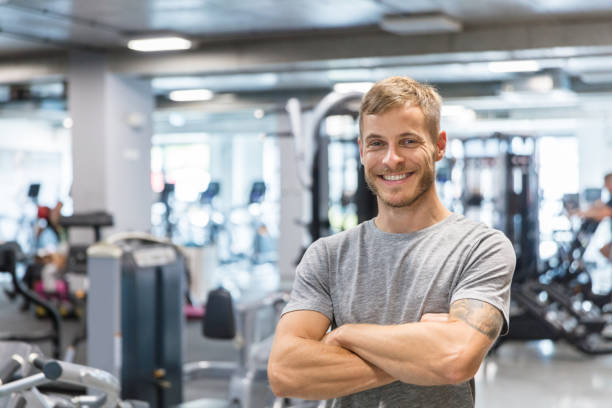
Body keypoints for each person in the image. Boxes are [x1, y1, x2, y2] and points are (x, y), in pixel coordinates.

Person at [267, 76, 516, 407]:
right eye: (376, 143)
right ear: (361, 150)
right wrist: (422, 356)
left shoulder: (481, 248)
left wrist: (344, 335)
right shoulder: (327, 255)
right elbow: (285, 373)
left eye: (409, 141)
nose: (391, 159)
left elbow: (454, 358)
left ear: (439, 145)